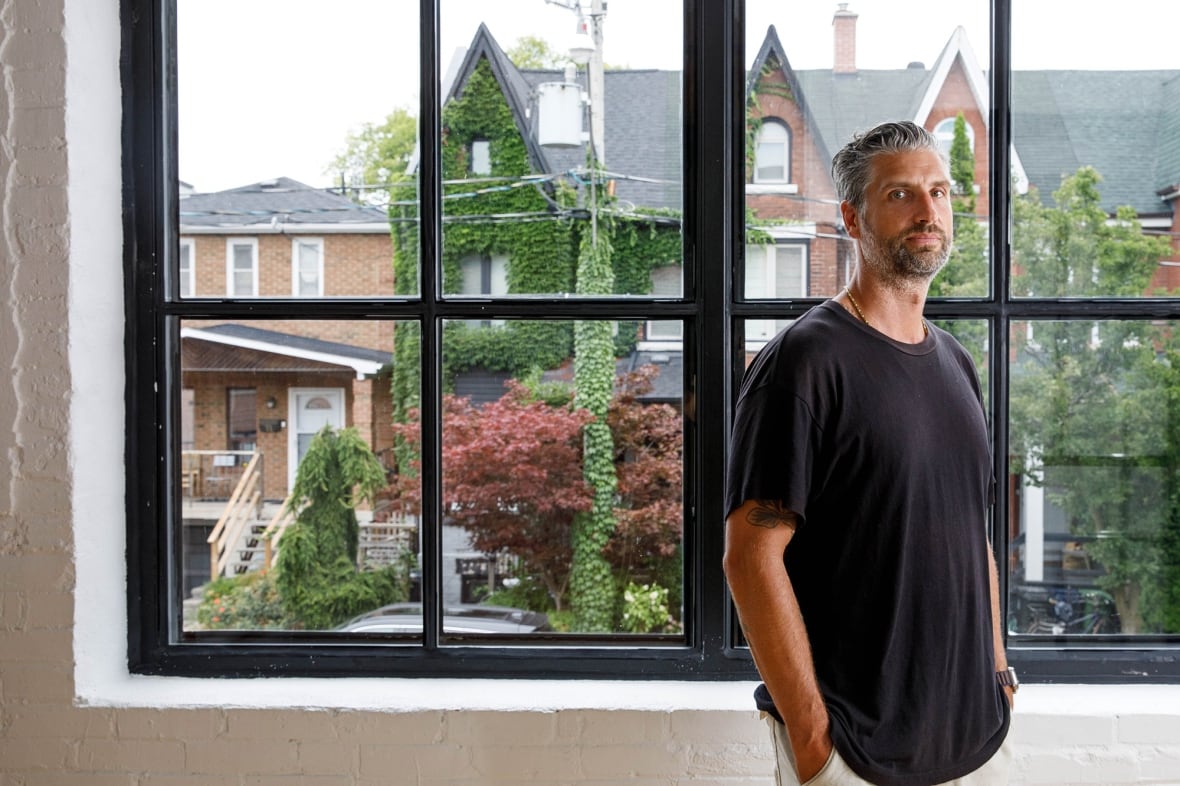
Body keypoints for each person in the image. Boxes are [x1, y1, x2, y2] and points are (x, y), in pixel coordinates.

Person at [723, 121, 1014, 786]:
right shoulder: (805, 361)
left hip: (974, 737)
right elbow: (750, 554)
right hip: (854, 748)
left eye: (938, 192)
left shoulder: (957, 364)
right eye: (901, 195)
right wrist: (812, 735)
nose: (928, 211)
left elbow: (975, 534)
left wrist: (999, 671)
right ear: (853, 218)